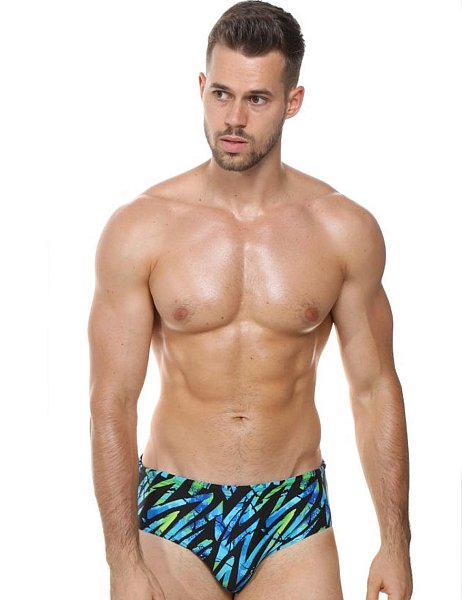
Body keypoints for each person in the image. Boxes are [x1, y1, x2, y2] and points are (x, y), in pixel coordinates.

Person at [88, 1, 413, 599]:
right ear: (201, 88)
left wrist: (396, 542)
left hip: (291, 512)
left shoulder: (342, 230)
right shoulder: (142, 228)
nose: (233, 118)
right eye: (221, 94)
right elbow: (112, 399)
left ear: (293, 101)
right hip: (174, 509)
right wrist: (122, 561)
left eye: (257, 99)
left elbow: (374, 389)